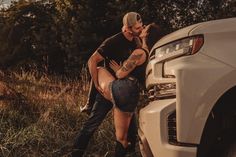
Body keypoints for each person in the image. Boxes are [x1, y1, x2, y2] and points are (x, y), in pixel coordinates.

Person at [72, 12, 144, 157]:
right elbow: (92, 61)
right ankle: (75, 153)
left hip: (125, 94)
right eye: (137, 28)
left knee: (132, 131)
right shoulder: (114, 41)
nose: (141, 29)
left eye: (141, 26)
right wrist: (97, 84)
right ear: (127, 29)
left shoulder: (137, 42)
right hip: (108, 90)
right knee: (92, 125)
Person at [97, 23, 163, 156]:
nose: (141, 27)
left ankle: (89, 104)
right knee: (126, 136)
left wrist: (118, 70)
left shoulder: (139, 53)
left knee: (98, 69)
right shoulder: (151, 55)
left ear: (146, 35)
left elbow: (120, 74)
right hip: (134, 93)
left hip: (124, 89)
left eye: (144, 28)